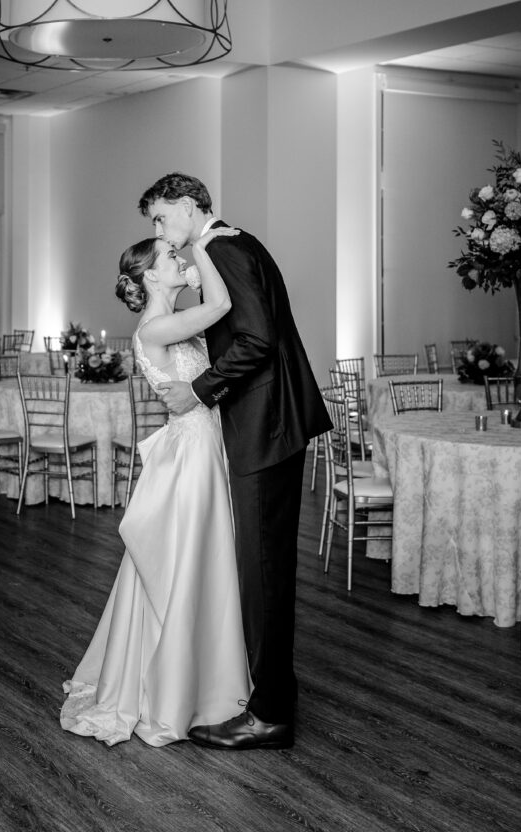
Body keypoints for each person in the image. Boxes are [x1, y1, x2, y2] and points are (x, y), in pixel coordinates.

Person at [139, 172, 332, 751]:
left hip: (265, 427)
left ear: (189, 204)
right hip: (268, 423)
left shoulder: (221, 247)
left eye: (160, 217)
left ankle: (269, 713)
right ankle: (274, 690)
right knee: (261, 569)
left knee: (264, 572)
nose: (159, 232)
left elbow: (255, 340)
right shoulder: (229, 244)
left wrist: (197, 391)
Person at [60, 227, 251, 747]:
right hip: (190, 454)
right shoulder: (154, 328)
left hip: (202, 445)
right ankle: (179, 688)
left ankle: (196, 674)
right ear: (149, 274)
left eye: (177, 250)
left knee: (198, 561)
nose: (179, 256)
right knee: (188, 563)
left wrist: (189, 263)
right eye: (171, 255)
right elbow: (222, 303)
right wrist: (205, 245)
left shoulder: (168, 324)